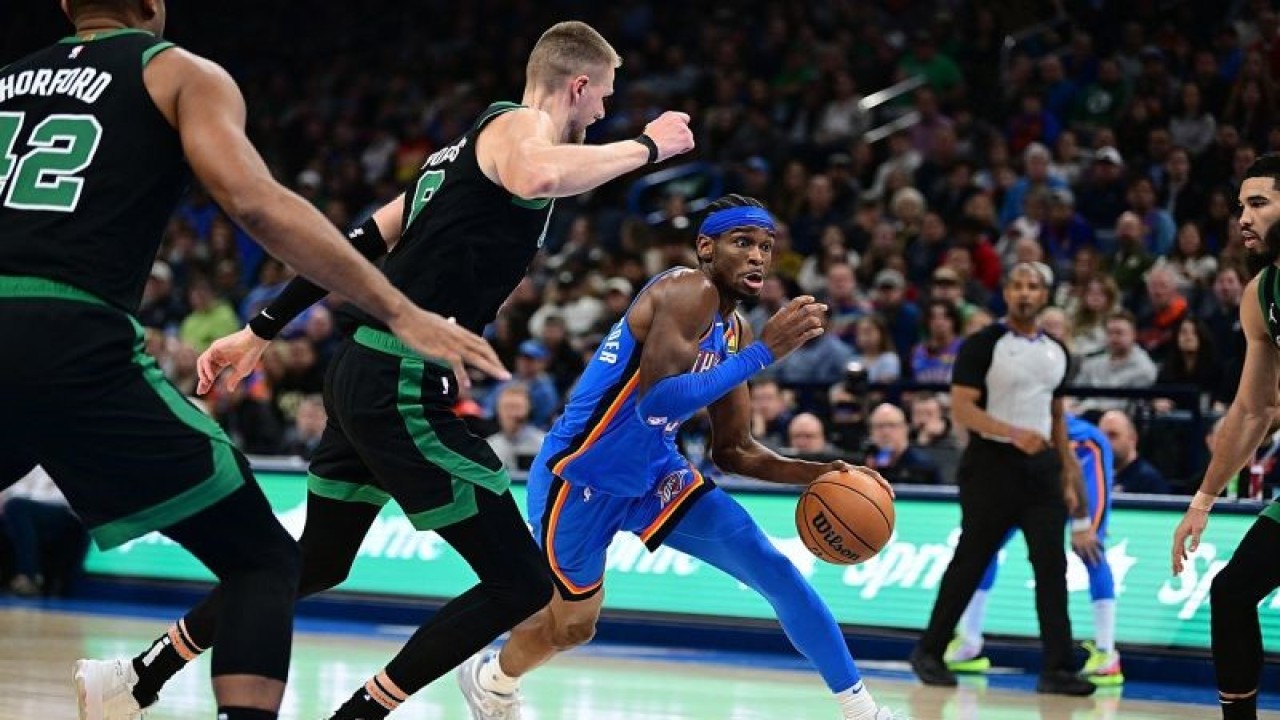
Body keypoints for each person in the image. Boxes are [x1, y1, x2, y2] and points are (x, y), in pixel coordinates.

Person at [75, 18, 694, 720]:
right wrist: (647, 146)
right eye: (604, 98)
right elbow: (541, 171)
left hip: (362, 374)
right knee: (521, 583)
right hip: (398, 383)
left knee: (317, 561)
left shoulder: (453, 157)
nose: (605, 113)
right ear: (577, 86)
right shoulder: (522, 132)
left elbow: (357, 243)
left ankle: (137, 677)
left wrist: (260, 329)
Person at [0, 3, 504, 720]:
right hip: (71, 332)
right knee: (263, 561)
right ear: (152, 4)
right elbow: (256, 203)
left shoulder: (8, 78)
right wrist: (399, 309)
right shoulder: (173, 71)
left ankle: (135, 680)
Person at [457, 196, 909, 720]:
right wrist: (764, 354)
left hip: (655, 474)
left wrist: (822, 472)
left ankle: (862, 710)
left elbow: (734, 450)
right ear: (706, 248)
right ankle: (492, 680)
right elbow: (658, 401)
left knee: (773, 568)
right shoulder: (685, 290)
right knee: (572, 626)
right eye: (743, 243)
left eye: (766, 246)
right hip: (582, 475)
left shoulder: (731, 330)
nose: (758, 257)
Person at [909, 262, 1099, 697]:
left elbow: (1056, 419)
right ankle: (930, 650)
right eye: (1018, 285)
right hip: (991, 467)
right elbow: (963, 410)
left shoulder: (1057, 351)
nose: (1026, 293)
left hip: (1043, 471)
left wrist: (1070, 477)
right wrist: (1013, 433)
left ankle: (1057, 667)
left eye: (1034, 286)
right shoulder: (982, 344)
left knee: (1052, 567)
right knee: (971, 561)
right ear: (1006, 292)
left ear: (1045, 295)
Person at [1172, 153, 1280, 720]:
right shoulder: (1262, 295)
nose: (1243, 217)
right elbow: (1252, 409)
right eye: (1241, 206)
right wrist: (1204, 499)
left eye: (1259, 203)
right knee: (1233, 591)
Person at [945, 414, 1123, 685]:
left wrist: (1082, 520)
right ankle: (969, 642)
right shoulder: (992, 429)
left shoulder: (1081, 436)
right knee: (985, 546)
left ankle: (1107, 653)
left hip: (1080, 455)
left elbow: (1068, 460)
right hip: (1032, 474)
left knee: (1090, 546)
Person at [863, 403, 942, 485]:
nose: (885, 432)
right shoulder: (864, 465)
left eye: (892, 425)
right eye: (879, 426)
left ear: (905, 428)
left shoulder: (924, 466)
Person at [1099, 410, 1172, 494]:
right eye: (1102, 436)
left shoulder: (1149, 482)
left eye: (1113, 435)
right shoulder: (1096, 475)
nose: (1106, 442)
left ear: (1132, 438)